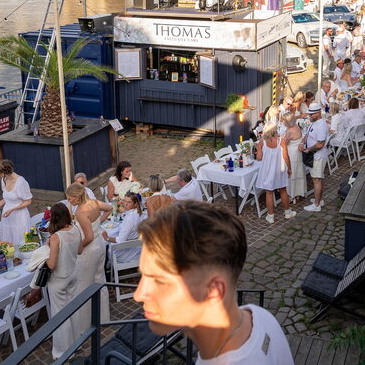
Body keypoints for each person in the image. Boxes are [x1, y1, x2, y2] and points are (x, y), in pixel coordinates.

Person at [134, 202, 293, 364]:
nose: (138, 295)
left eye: (159, 281)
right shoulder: (259, 316)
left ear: (213, 291)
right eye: (142, 276)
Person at [64, 183, 111, 329]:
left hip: (90, 250)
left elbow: (88, 237)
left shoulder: (81, 212)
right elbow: (109, 208)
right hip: (101, 244)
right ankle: (103, 318)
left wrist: (79, 248)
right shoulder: (94, 202)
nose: (69, 201)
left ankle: (84, 326)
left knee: (83, 287)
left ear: (77, 197)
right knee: (99, 280)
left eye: (70, 199)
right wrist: (98, 224)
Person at [44, 202, 84, 359]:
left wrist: (44, 258)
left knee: (59, 314)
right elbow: (80, 250)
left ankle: (62, 350)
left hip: (59, 279)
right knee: (73, 309)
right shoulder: (75, 228)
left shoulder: (56, 237)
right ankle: (76, 342)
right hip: (73, 274)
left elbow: (52, 264)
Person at [254, 127, 295, 224]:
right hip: (279, 169)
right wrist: (289, 168)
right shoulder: (281, 140)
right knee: (283, 190)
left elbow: (259, 158)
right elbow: (285, 156)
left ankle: (270, 216)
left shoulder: (261, 142)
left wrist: (258, 148)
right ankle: (288, 212)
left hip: (267, 170)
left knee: (269, 192)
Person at [0, 160, 33, 247]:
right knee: (8, 240)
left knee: (20, 241)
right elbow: (7, 198)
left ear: (4, 173)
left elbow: (28, 201)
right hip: (7, 215)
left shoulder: (21, 182)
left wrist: (12, 209)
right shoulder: (4, 180)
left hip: (19, 215)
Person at [301, 104, 329, 213]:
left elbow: (320, 144)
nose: (309, 116)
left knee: (317, 180)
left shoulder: (321, 125)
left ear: (318, 113)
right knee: (317, 179)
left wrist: (309, 149)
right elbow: (308, 134)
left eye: (311, 114)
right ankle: (319, 200)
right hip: (315, 155)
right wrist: (303, 142)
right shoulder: (314, 122)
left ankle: (317, 205)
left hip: (318, 156)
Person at [102, 192, 142, 264]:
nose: (125, 204)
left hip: (126, 252)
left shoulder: (130, 219)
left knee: (104, 244)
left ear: (135, 204)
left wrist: (107, 238)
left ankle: (106, 267)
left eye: (129, 202)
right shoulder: (138, 213)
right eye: (125, 201)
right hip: (136, 246)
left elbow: (120, 240)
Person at [281, 112, 307, 202]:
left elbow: (283, 143)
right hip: (297, 153)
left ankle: (291, 195)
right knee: (297, 171)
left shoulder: (289, 131)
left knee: (291, 173)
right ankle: (298, 192)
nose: (282, 122)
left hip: (291, 154)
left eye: (283, 120)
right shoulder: (296, 126)